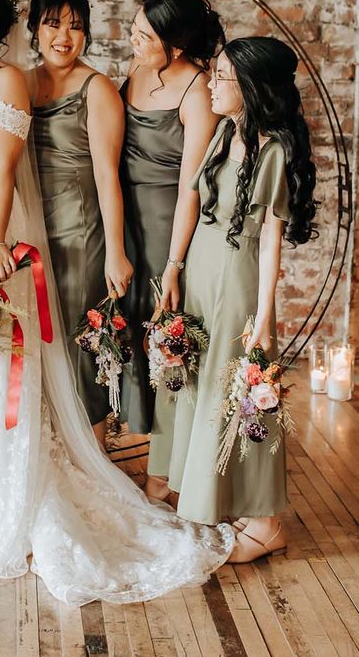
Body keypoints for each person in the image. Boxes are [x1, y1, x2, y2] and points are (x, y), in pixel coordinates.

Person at [0, 0, 233, 606]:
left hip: (19, 223)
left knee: (23, 352)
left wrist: (19, 240)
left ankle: (29, 479)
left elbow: (40, 170)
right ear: (33, 30)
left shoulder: (36, 84)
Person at [167, 37, 317, 562]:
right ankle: (215, 500)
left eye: (222, 76)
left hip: (237, 280)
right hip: (205, 272)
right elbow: (197, 201)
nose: (210, 82)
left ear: (250, 88)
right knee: (203, 387)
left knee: (238, 392)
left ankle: (267, 521)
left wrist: (264, 318)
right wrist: (177, 267)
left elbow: (272, 240)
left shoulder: (272, 150)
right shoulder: (224, 132)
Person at [119, 0, 224, 499]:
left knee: (167, 341)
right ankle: (134, 443)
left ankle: (168, 471)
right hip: (123, 223)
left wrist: (175, 264)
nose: (134, 41)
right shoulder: (135, 72)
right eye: (134, 30)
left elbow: (192, 187)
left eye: (145, 35)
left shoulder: (197, 89)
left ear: (176, 46)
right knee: (126, 331)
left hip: (170, 225)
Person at [28, 0, 133, 448]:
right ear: (34, 29)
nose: (64, 37)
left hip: (80, 231)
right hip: (29, 228)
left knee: (78, 337)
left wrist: (116, 253)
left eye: (75, 27)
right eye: (53, 25)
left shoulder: (98, 89)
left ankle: (93, 452)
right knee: (32, 339)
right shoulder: (19, 83)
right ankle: (45, 449)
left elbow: (109, 177)